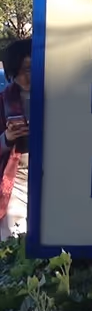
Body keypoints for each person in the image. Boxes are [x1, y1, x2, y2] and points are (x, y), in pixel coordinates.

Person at [1, 38, 32, 241]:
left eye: (29, 69)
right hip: (17, 180)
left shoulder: (59, 97)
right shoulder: (4, 101)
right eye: (18, 72)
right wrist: (7, 137)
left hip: (55, 178)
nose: (25, 78)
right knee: (14, 238)